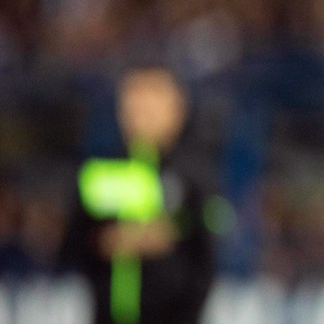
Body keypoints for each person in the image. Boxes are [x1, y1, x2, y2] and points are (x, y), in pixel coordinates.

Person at [60, 65, 215, 324]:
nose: (144, 110)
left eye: (154, 98)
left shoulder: (195, 174)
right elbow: (69, 247)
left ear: (178, 109)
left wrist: (171, 232)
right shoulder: (99, 172)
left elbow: (210, 249)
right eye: (135, 99)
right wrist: (105, 241)